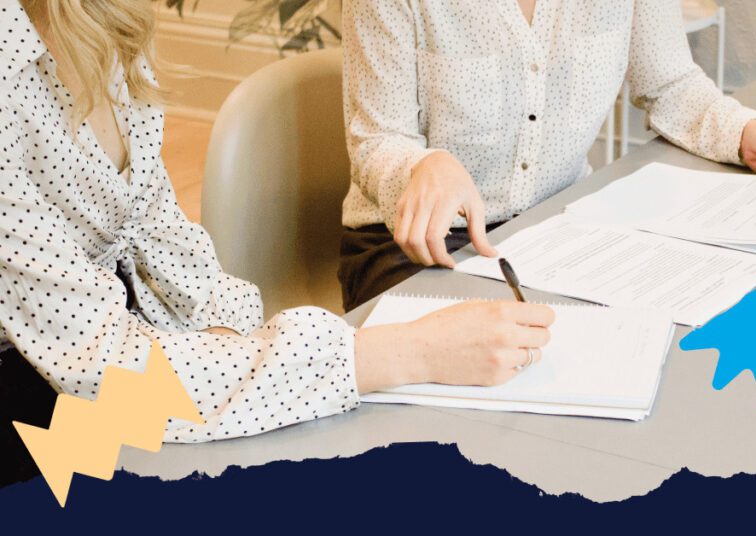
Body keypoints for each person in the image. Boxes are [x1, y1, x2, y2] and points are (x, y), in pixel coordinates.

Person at [0, 0, 554, 486]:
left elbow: (162, 241)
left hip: (114, 355)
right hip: (34, 401)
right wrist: (405, 353)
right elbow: (103, 365)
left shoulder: (102, 25)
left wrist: (226, 347)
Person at [338, 0, 756, 310]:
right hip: (411, 246)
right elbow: (377, 141)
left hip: (556, 230)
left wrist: (745, 131)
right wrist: (422, 167)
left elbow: (670, 84)